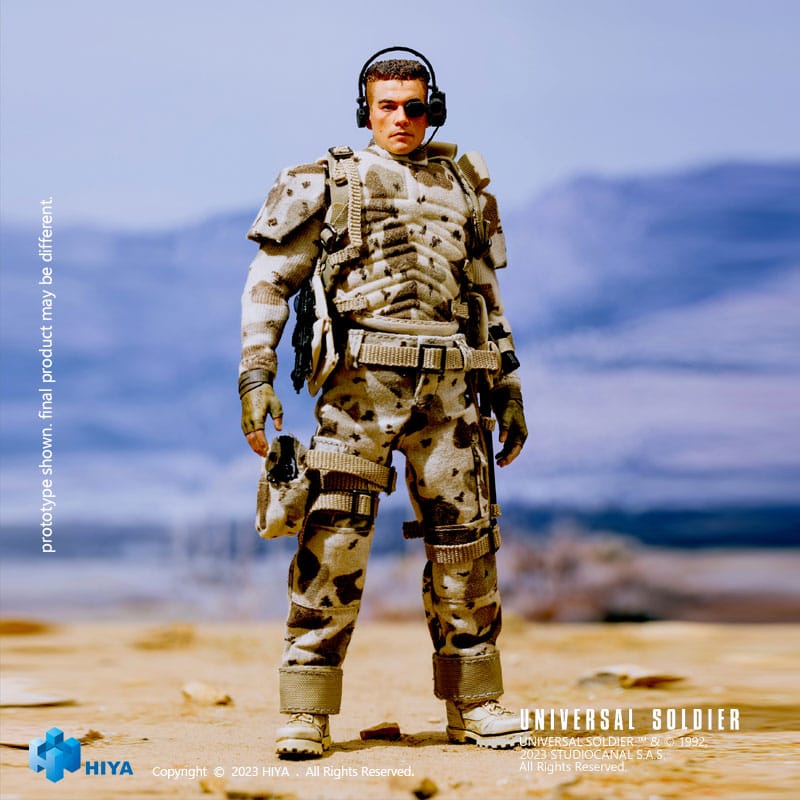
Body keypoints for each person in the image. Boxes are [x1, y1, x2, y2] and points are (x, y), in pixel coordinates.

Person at [238, 47, 528, 758]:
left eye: (415, 107)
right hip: (357, 392)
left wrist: (508, 387)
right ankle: (307, 709)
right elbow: (270, 282)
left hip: (451, 396)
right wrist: (255, 372)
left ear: (435, 109)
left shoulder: (465, 188)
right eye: (387, 106)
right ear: (365, 111)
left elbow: (485, 298)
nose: (402, 118)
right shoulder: (326, 182)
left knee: (466, 548)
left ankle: (475, 703)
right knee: (333, 541)